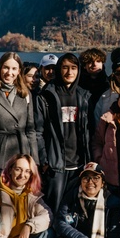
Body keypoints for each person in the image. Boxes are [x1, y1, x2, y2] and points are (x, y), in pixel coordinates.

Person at [35, 52, 92, 212]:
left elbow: (88, 130)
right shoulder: (46, 96)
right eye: (65, 67)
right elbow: (38, 132)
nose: (69, 72)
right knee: (54, 208)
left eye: (73, 68)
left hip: (79, 164)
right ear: (59, 69)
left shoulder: (84, 96)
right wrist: (45, 161)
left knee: (75, 210)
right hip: (56, 165)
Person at [0, 52, 39, 187]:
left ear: (19, 71)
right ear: (0, 68)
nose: (9, 72)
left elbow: (31, 131)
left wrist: (34, 163)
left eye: (14, 69)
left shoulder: (26, 95)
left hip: (21, 154)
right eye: (6, 68)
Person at [53, 162, 120, 238]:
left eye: (96, 178)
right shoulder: (72, 197)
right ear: (81, 181)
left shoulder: (112, 203)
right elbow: (60, 221)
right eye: (86, 178)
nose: (90, 182)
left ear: (103, 182)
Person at [0, 154, 54, 238]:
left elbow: (48, 215)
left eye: (27, 171)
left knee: (47, 234)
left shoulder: (31, 195)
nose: (23, 175)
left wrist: (29, 226)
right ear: (10, 170)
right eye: (18, 169)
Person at [79, 48, 109, 122]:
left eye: (98, 61)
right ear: (84, 65)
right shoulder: (78, 85)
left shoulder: (109, 84)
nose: (94, 64)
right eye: (90, 62)